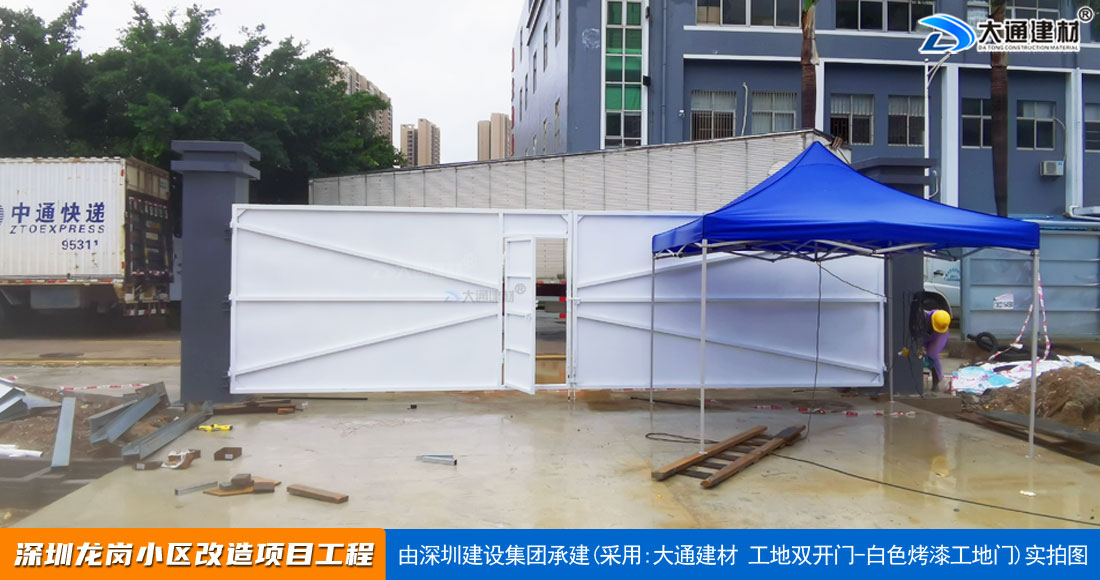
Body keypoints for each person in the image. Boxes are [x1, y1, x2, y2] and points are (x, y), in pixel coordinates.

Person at [922, 309, 951, 391]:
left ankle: (936, 382)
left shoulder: (942, 327)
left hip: (938, 336)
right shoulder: (921, 317)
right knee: (916, 353)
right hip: (922, 334)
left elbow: (933, 352)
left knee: (932, 356)